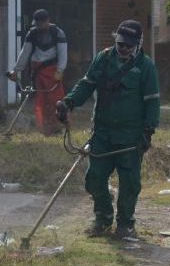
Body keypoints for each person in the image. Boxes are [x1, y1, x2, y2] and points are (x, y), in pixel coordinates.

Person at [56, 20, 160, 240]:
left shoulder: (146, 67)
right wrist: (68, 102)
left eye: (128, 45)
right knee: (94, 178)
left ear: (138, 44)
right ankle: (102, 219)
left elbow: (152, 102)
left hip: (131, 137)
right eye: (120, 44)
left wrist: (148, 132)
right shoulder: (103, 59)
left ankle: (125, 224)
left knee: (129, 183)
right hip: (102, 133)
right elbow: (86, 85)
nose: (123, 49)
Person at [8, 9, 67, 135]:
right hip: (38, 71)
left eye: (41, 23)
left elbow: (63, 54)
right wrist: (16, 70)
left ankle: (58, 127)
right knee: (41, 100)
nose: (39, 26)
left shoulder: (58, 33)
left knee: (57, 100)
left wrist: (60, 70)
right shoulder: (32, 34)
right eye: (37, 23)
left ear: (47, 21)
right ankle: (45, 128)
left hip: (53, 72)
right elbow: (25, 53)